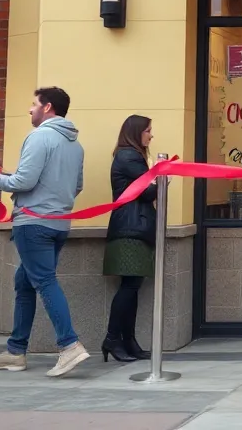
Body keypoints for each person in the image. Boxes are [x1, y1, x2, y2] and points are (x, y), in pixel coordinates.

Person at [0, 87, 89, 377]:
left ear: (48, 108)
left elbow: (24, 181)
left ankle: (69, 345)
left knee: (43, 282)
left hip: (33, 223)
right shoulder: (75, 144)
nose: (30, 110)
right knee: (25, 284)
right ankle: (16, 351)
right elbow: (76, 186)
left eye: (34, 104)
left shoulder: (39, 136)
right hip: (59, 223)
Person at [101, 115, 157, 363]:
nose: (151, 135)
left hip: (132, 228)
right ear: (136, 133)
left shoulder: (129, 156)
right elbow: (148, 192)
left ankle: (128, 341)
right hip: (130, 230)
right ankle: (113, 339)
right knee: (129, 287)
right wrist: (161, 175)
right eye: (147, 131)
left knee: (132, 287)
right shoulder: (129, 157)